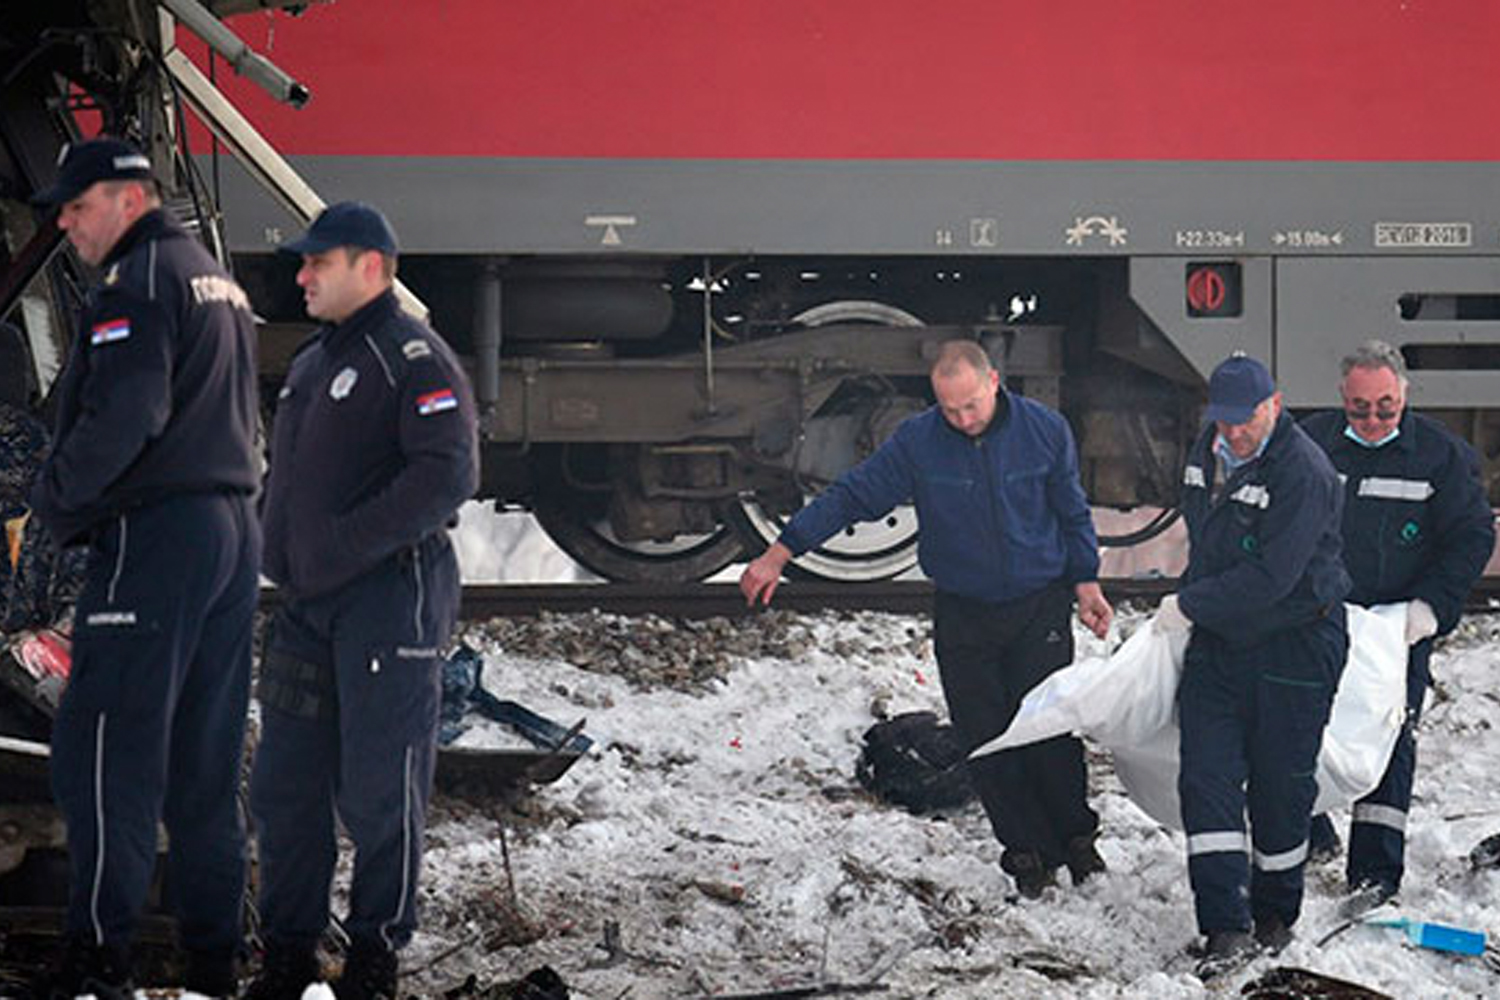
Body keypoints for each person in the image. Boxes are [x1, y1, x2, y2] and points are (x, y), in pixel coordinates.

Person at [740, 339, 1113, 898]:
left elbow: (1070, 509)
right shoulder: (919, 441)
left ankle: (1079, 843)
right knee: (985, 740)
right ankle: (1027, 856)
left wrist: (1086, 582)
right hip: (964, 611)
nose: (962, 419)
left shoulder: (1044, 430)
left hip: (1039, 604)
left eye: (971, 406)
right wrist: (780, 551)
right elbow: (853, 496)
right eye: (950, 409)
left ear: (993, 383)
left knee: (1049, 730)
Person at [26, 137, 262, 998]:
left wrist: (53, 504)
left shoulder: (138, 285)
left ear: (128, 200)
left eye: (78, 206)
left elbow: (127, 413)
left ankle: (96, 960)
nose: (66, 222)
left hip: (156, 536)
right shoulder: (208, 275)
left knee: (99, 749)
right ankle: (213, 960)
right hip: (231, 537)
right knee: (203, 761)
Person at [247, 201, 478, 1000]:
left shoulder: (412, 358)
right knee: (286, 787)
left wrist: (343, 544)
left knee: (383, 788)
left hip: (389, 603)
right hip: (306, 609)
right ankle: (287, 956)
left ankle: (373, 959)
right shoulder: (315, 361)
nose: (301, 275)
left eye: (320, 262)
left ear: (371, 267)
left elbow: (448, 473)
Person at [1154, 353, 1351, 975]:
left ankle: (1274, 917)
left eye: (1245, 420)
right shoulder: (1205, 452)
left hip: (1294, 644)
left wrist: (1189, 604)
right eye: (1224, 421)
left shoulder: (1303, 471)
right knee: (1206, 781)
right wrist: (1197, 608)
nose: (1233, 433)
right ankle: (1223, 928)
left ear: (1275, 404)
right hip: (1220, 644)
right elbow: (1206, 535)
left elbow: (1272, 577)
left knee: (1280, 789)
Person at [1302, 340, 1495, 910]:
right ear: (1342, 397)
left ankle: (1375, 873)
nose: (1373, 419)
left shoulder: (1440, 456)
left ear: (1404, 396)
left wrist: (1430, 608)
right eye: (1360, 408)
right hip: (1318, 618)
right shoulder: (1311, 445)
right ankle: (1306, 833)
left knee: (1390, 737)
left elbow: (1471, 537)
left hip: (1395, 626)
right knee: (1303, 728)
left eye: (1385, 407)